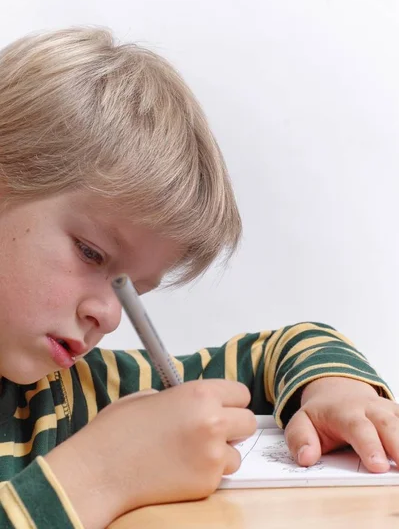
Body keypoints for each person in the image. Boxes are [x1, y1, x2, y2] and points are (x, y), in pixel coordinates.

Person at [0, 27, 396, 529]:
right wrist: (102, 474)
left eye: (135, 291)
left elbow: (278, 349)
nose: (110, 315)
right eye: (91, 253)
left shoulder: (64, 392)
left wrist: (336, 388)